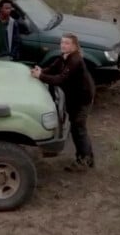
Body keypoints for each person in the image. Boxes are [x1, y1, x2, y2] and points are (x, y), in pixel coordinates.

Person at [30, 33, 95, 171]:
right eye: (62, 42)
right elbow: (52, 69)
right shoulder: (63, 57)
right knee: (76, 129)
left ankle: (85, 161)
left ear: (74, 46)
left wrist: (41, 76)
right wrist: (41, 71)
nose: (63, 45)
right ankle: (85, 158)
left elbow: (61, 79)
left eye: (67, 43)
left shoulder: (75, 60)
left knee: (79, 129)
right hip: (74, 98)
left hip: (83, 99)